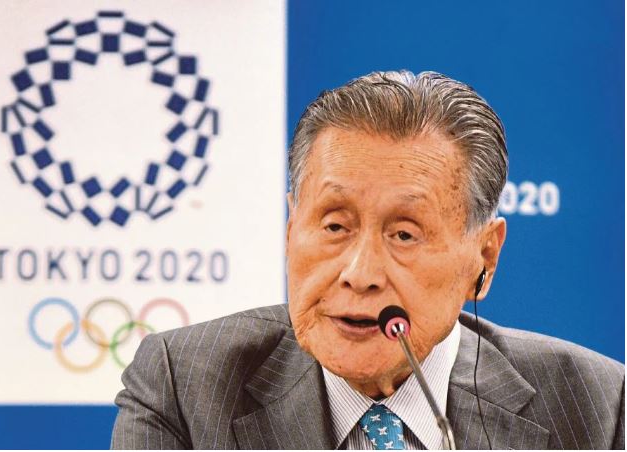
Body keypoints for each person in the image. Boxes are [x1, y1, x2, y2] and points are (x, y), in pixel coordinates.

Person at [111, 70, 624, 450]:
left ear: (483, 255)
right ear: (291, 230)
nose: (360, 275)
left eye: (404, 234)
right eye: (335, 226)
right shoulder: (184, 388)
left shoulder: (599, 407)